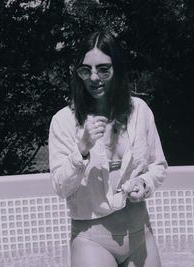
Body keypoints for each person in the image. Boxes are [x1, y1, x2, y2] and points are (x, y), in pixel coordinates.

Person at [48, 31, 167, 267]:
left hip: (139, 234)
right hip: (92, 241)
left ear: (117, 69)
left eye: (104, 69)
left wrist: (143, 184)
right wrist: (81, 150)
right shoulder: (63, 121)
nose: (94, 77)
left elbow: (158, 166)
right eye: (86, 70)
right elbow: (60, 187)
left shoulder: (140, 111)